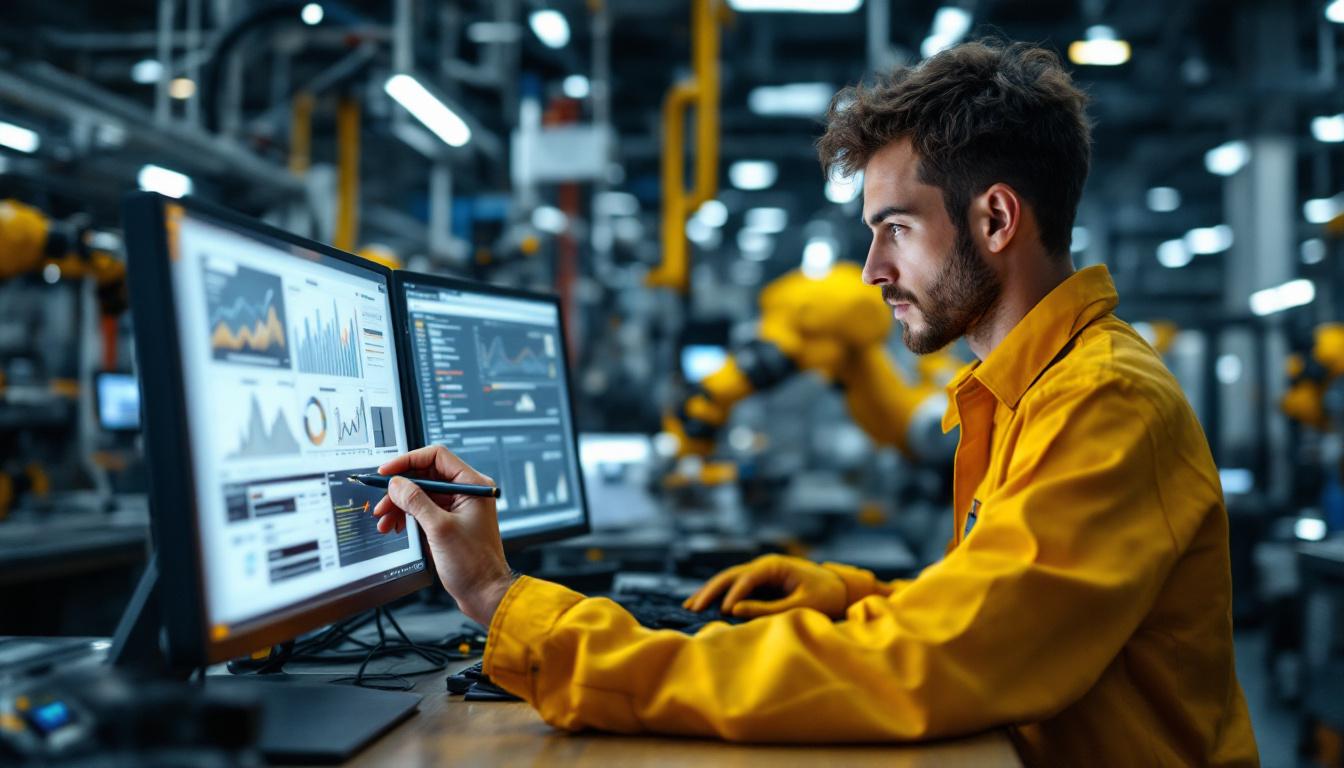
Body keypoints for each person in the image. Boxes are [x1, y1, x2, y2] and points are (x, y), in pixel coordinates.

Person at [371, 40, 1259, 766]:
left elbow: (936, 666)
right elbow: (1002, 611)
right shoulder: (1029, 390)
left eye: (894, 230)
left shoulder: (1102, 400)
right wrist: (845, 596)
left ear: (995, 220)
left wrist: (508, 604)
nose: (873, 271)